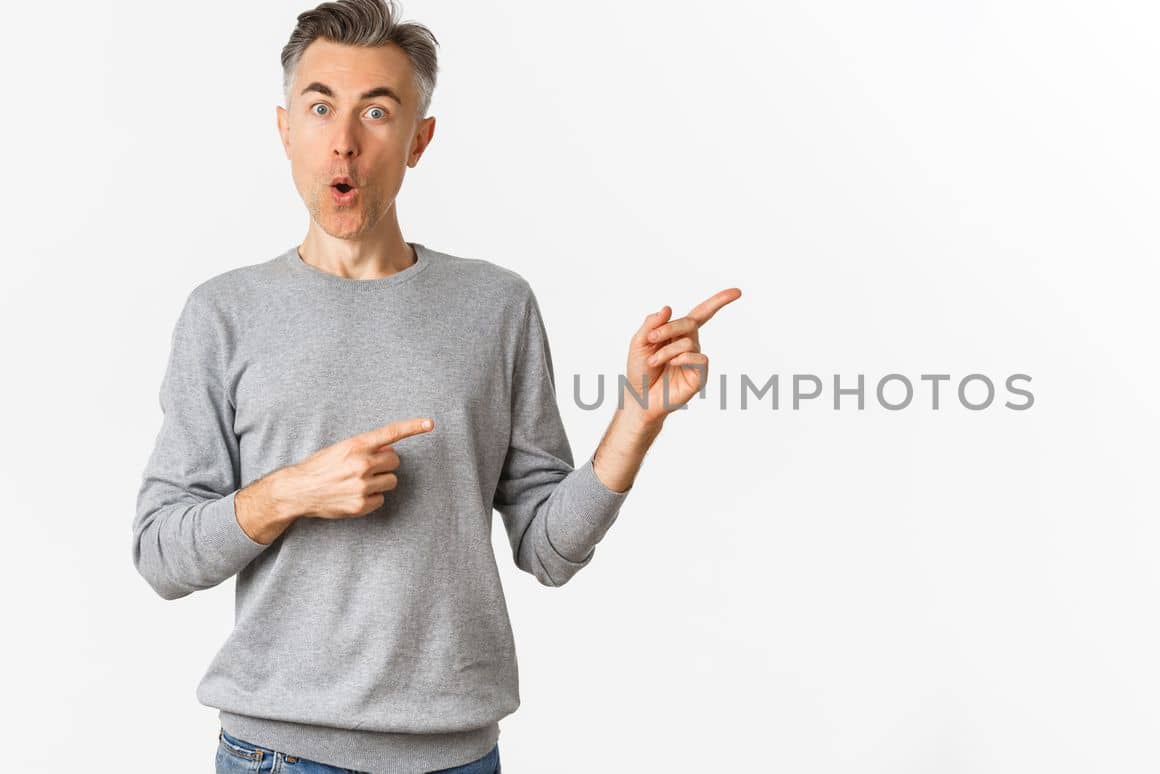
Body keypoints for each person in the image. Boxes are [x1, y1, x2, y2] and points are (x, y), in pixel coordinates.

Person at [131, 1, 740, 771]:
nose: (344, 141)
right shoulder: (223, 314)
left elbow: (549, 550)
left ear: (419, 139)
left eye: (376, 112)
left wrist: (636, 421)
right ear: (286, 130)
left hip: (458, 755)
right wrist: (289, 492)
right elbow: (160, 554)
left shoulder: (495, 306)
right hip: (279, 754)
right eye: (320, 107)